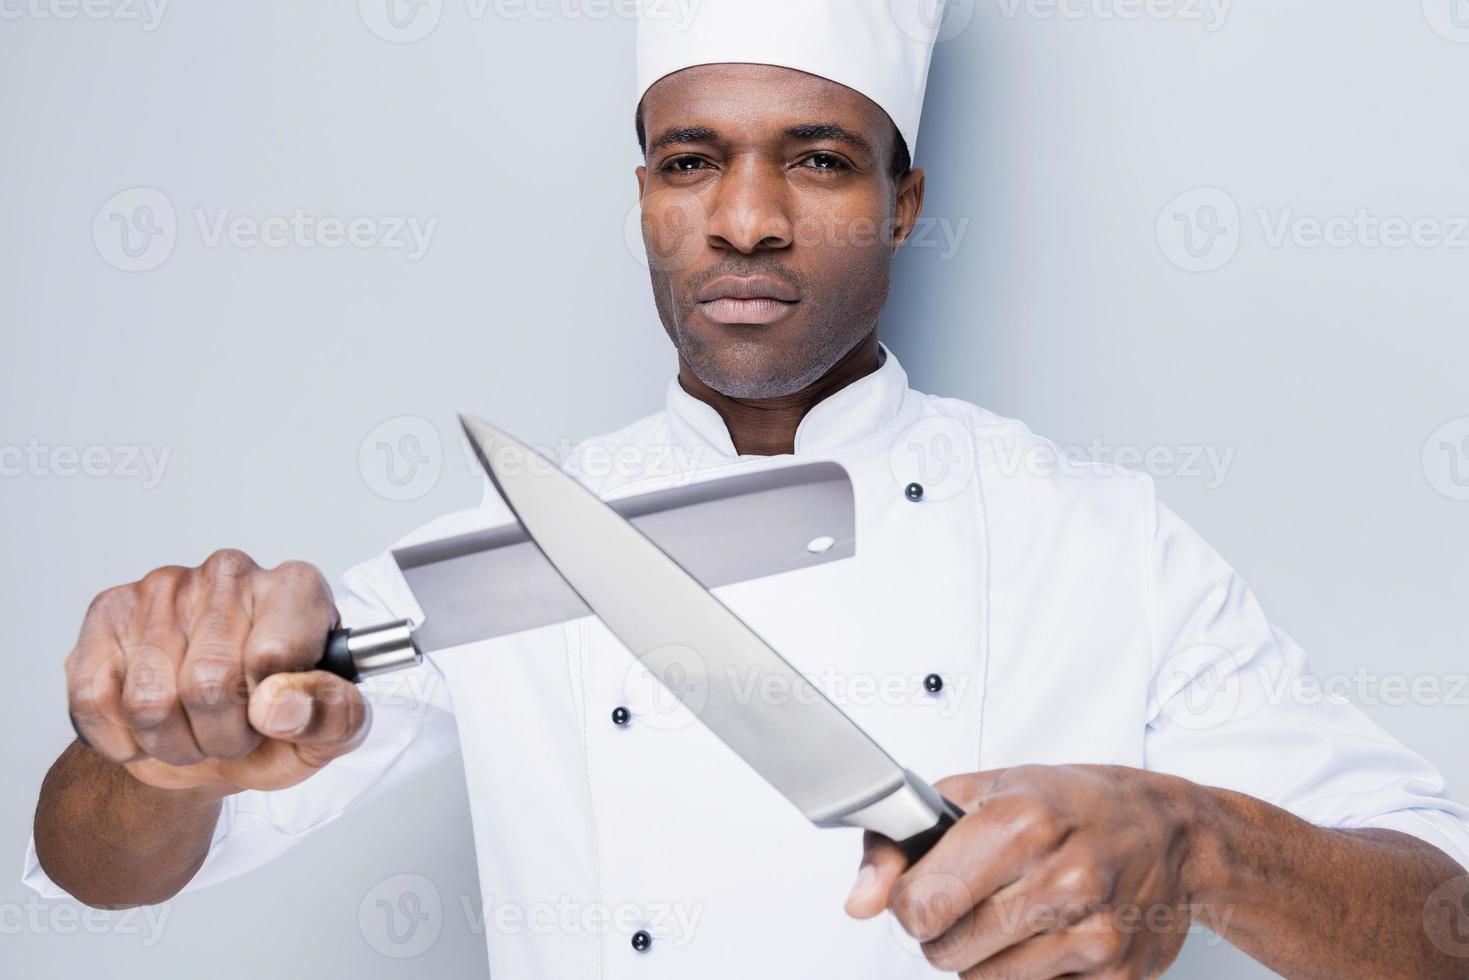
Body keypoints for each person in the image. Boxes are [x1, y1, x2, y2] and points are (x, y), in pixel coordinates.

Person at [25, 1, 1469, 976]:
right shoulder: (505, 552)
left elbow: (1444, 923)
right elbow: (102, 871)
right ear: (642, 194)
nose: (746, 218)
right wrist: (156, 745)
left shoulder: (1098, 542)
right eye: (690, 161)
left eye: (820, 161)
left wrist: (1205, 844)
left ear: (904, 199)